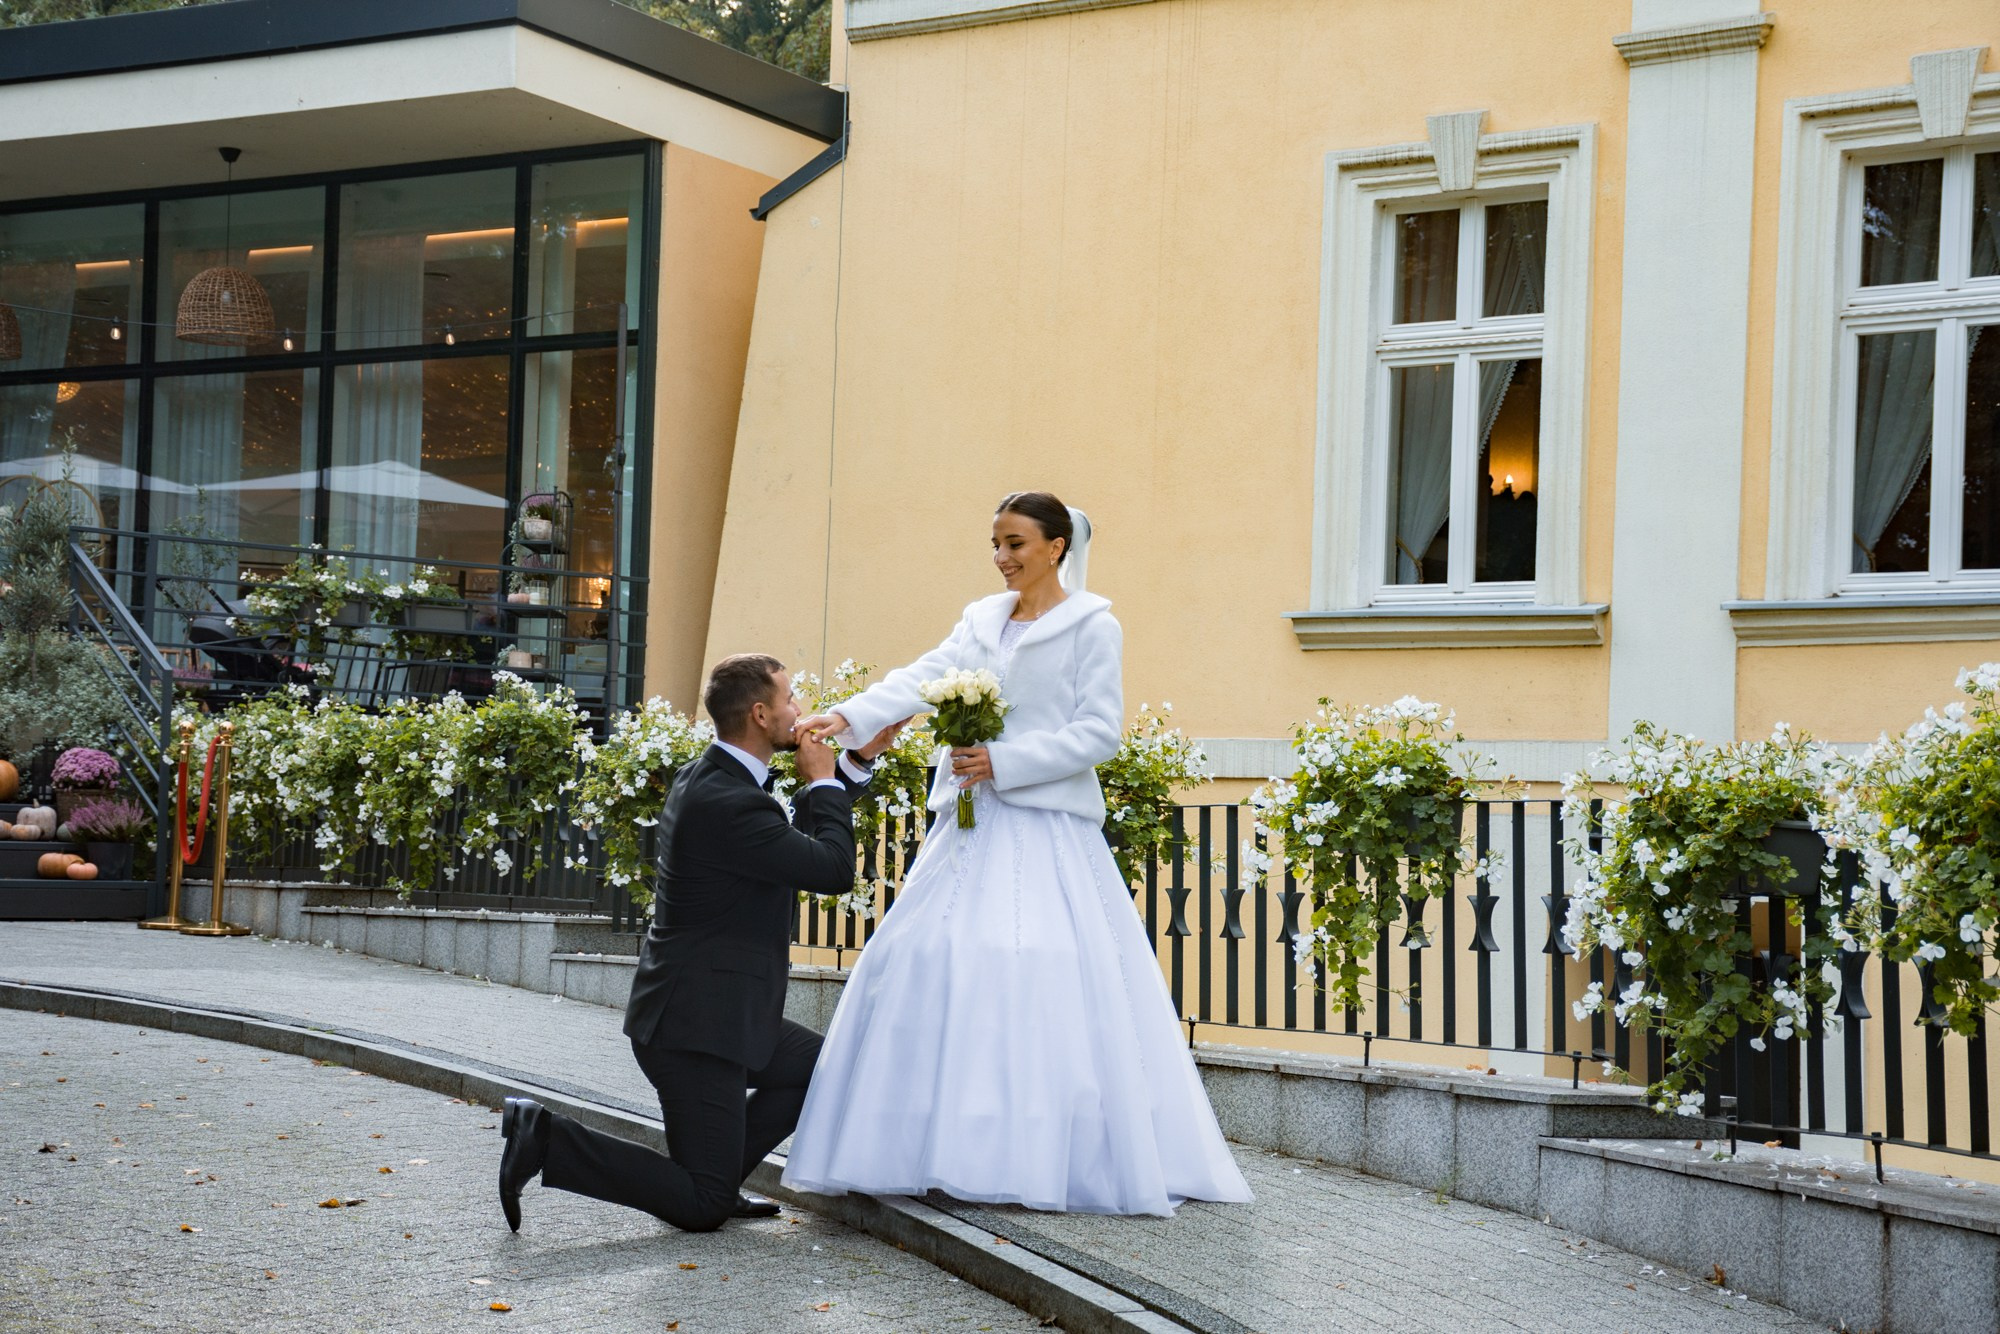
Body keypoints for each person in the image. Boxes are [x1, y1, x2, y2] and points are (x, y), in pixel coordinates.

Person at [787, 491, 1253, 1216]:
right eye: (996, 544)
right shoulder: (979, 620)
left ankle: (1037, 1153)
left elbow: (1099, 732)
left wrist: (1005, 762)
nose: (1002, 558)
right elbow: (922, 676)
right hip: (968, 827)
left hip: (1044, 827)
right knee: (930, 960)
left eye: (1016, 544)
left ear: (1057, 547)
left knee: (1033, 970)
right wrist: (850, 715)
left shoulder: (1094, 629)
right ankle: (929, 1147)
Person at [496, 653, 907, 1232]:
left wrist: (856, 761)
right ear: (762, 714)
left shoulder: (717, 778)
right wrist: (821, 780)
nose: (801, 711)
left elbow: (794, 844)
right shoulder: (728, 801)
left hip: (718, 1017)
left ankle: (715, 1175)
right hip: (696, 1031)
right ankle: (548, 1139)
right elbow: (832, 868)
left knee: (822, 1069)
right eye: (791, 699)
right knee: (700, 1206)